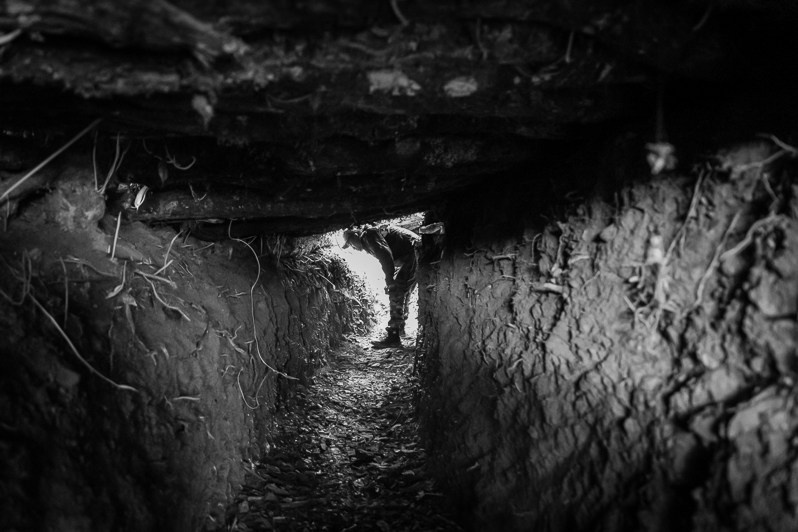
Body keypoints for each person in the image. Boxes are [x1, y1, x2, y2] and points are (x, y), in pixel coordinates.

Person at [343, 223, 420, 348]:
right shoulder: (371, 235)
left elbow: (385, 256)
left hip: (413, 253)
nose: (353, 248)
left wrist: (389, 281)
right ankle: (400, 329)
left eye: (351, 244)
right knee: (402, 290)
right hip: (415, 252)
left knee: (396, 291)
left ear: (355, 235)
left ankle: (394, 336)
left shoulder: (368, 235)